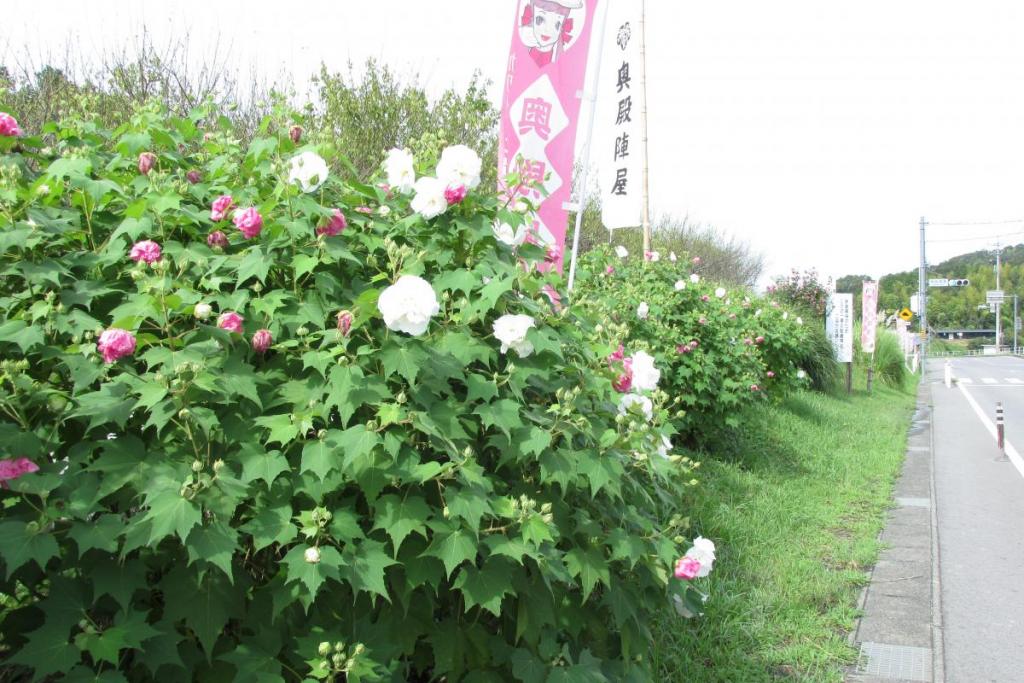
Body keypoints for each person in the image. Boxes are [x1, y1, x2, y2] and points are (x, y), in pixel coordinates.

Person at [519, 0, 584, 67]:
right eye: (540, 19)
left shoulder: (559, 53)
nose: (547, 30)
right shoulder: (524, 37)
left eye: (557, 24)